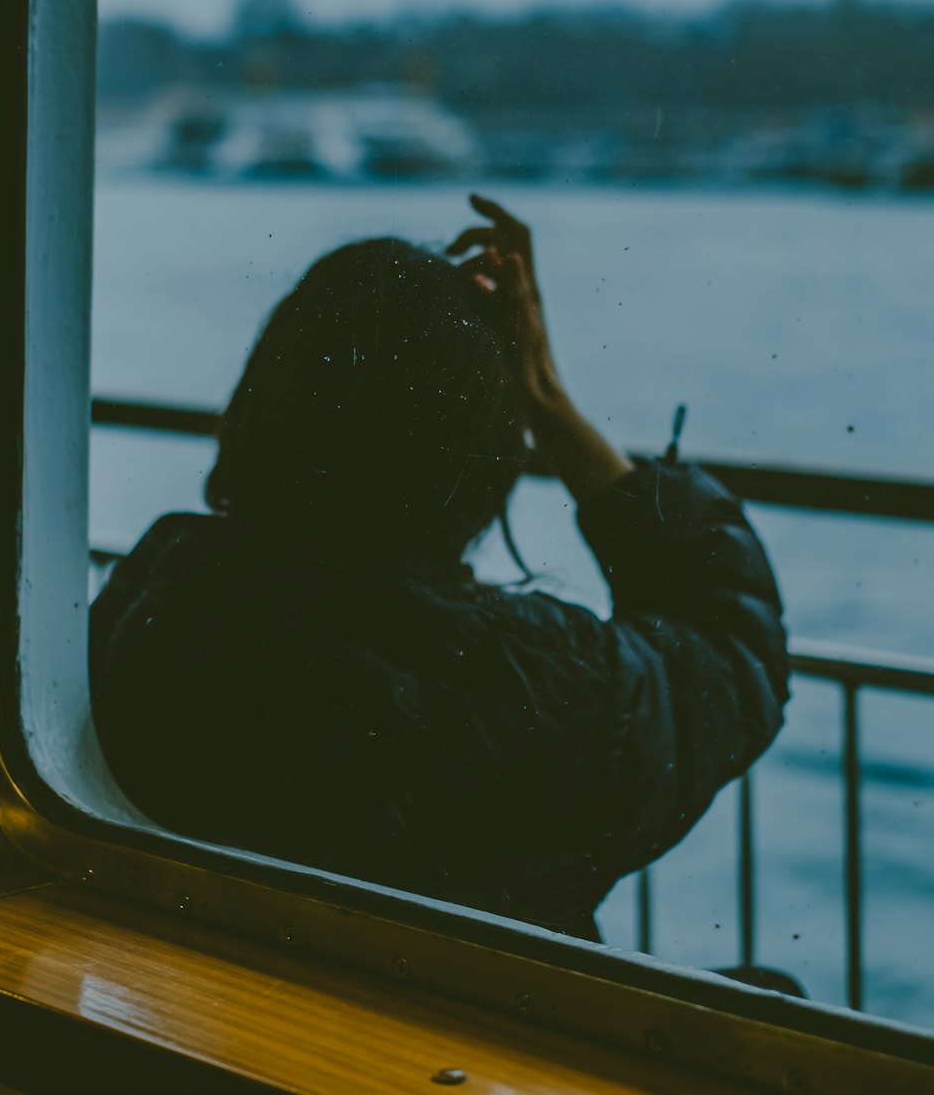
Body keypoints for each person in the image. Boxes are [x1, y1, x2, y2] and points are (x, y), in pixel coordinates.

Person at [90, 196, 789, 942]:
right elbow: (732, 657)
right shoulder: (554, 684)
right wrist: (548, 399)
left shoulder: (152, 604)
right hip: (459, 1052)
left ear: (262, 404)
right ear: (481, 459)